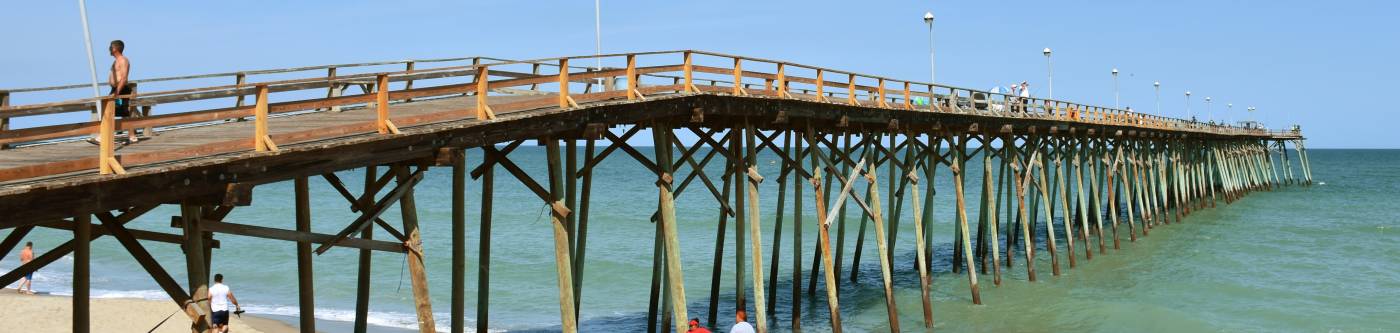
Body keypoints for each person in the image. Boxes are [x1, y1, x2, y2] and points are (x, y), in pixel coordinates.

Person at [108, 40, 138, 144]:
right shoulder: (115, 61)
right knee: (108, 111)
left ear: (115, 48)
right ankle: (105, 136)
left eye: (110, 47)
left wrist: (116, 93)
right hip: (115, 89)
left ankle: (132, 135)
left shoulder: (123, 60)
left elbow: (124, 78)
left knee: (124, 113)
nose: (109, 49)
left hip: (121, 89)